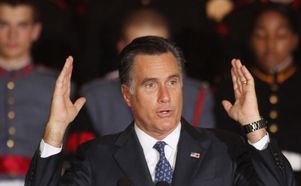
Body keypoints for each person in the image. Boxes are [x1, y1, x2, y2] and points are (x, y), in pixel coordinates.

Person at [21, 36, 299, 186]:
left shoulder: (221, 150)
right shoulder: (99, 157)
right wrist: (55, 130)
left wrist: (254, 125)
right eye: (151, 85)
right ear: (127, 94)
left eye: (173, 82)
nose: (166, 97)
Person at [216, 3, 301, 186]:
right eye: (261, 35)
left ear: (295, 40)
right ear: (251, 39)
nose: (270, 44)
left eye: (280, 35)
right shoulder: (232, 86)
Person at [78, 8, 216, 143]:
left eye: (159, 46)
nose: (165, 97)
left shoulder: (198, 96)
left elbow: (207, 153)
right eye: (140, 49)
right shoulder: (94, 98)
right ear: (121, 49)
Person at [0, 0, 58, 186]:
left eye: (22, 25)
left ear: (35, 31)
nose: (12, 35)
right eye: (4, 25)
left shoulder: (58, 85)